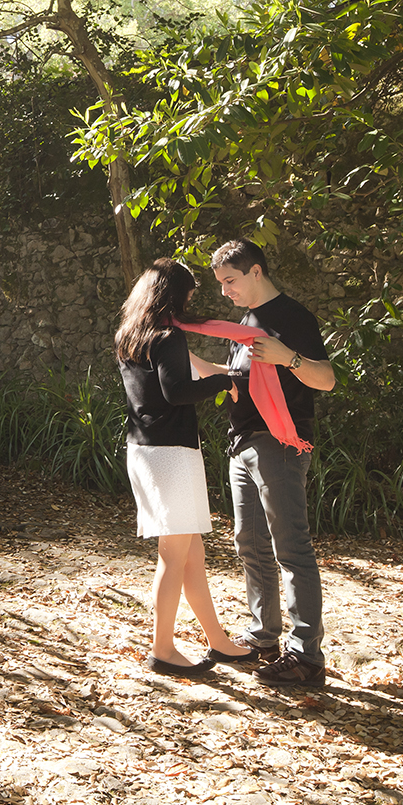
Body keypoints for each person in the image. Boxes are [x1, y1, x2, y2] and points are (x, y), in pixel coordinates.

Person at [201, 239, 335, 690]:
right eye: (220, 284)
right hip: (243, 445)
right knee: (250, 545)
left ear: (256, 272)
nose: (225, 291)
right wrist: (195, 364)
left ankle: (306, 657)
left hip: (281, 444)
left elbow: (326, 379)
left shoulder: (294, 318)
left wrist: (288, 358)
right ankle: (264, 638)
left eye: (230, 281)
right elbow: (241, 382)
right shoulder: (247, 322)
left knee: (291, 549)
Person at [116, 258, 256, 678]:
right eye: (189, 296)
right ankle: (162, 649)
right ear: (174, 296)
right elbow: (176, 393)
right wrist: (225, 381)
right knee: (174, 557)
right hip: (170, 455)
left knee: (191, 556)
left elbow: (163, 388)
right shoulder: (168, 335)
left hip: (147, 452)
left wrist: (211, 371)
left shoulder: (131, 336)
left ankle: (218, 641)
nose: (190, 304)